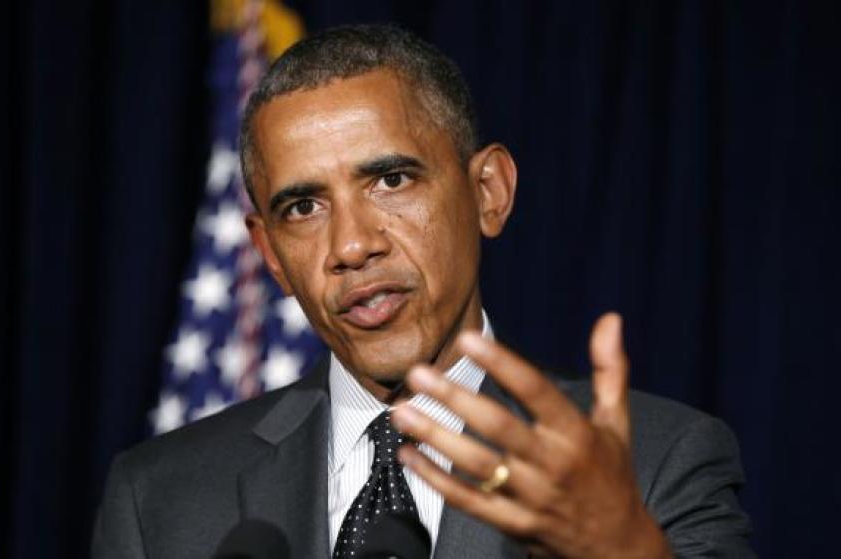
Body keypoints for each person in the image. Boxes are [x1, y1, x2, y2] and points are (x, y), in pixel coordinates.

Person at [92, 24, 753, 558]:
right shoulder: (158, 498)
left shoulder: (653, 463)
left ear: (488, 192)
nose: (353, 245)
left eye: (392, 180)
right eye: (303, 208)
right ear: (269, 255)